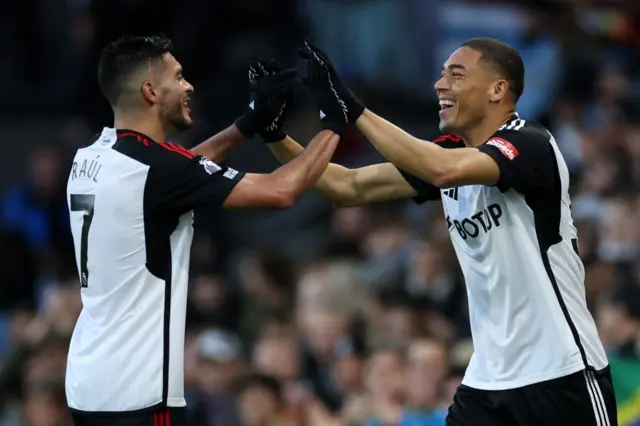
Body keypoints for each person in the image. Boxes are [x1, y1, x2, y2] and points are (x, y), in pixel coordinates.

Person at [266, 39, 618, 425]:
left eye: (456, 74)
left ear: (498, 89)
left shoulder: (531, 143)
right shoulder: (449, 156)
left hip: (560, 370)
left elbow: (441, 170)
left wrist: (354, 108)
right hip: (488, 378)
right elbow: (346, 187)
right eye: (441, 74)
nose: (439, 85)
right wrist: (274, 135)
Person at [65, 35, 341, 426]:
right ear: (150, 90)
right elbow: (281, 190)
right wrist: (333, 121)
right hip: (138, 393)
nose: (189, 86)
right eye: (177, 77)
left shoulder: (94, 153)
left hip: (87, 381)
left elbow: (179, 171)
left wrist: (248, 123)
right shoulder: (156, 169)